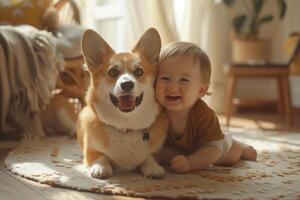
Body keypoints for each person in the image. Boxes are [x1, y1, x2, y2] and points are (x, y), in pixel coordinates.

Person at [155, 42, 257, 173]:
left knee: (230, 156)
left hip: (209, 146)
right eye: (165, 78)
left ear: (201, 90)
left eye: (183, 80)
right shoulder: (155, 110)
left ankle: (240, 146)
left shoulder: (204, 115)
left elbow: (213, 150)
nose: (172, 87)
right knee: (161, 152)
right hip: (178, 149)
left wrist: (191, 163)